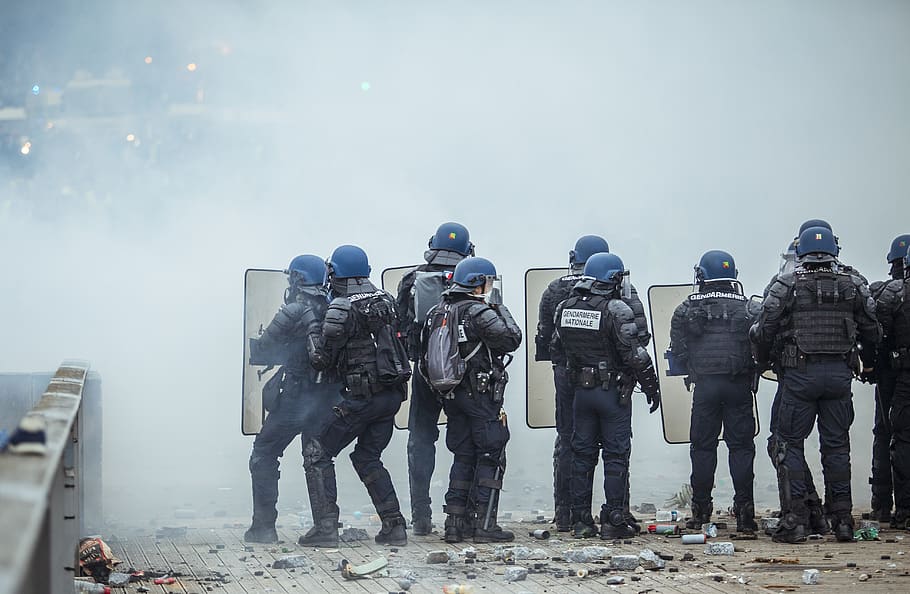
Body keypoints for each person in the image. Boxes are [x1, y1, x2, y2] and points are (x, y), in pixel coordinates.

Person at [752, 226, 881, 543]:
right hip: (839, 378)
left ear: (802, 251)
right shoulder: (853, 283)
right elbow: (873, 330)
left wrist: (766, 360)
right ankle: (843, 522)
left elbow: (764, 327)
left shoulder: (788, 284)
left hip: (799, 376)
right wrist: (867, 360)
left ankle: (795, 520)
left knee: (788, 444)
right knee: (837, 448)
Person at [534, 235, 650, 533]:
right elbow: (639, 337)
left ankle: (569, 515)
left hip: (570, 378)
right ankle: (617, 514)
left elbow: (546, 341)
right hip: (612, 383)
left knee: (571, 443)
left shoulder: (556, 290)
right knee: (616, 448)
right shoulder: (622, 292)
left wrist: (572, 365)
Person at [299, 245, 412, 547]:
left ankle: (325, 529)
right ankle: (394, 526)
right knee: (367, 456)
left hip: (361, 398)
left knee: (317, 453)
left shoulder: (341, 306)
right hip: (390, 396)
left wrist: (311, 327)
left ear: (335, 272)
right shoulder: (385, 299)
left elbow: (321, 358)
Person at [419, 256, 522, 544]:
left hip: (451, 396)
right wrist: (499, 306)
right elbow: (512, 339)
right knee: (491, 453)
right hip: (481, 395)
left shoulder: (437, 312)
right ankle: (485, 525)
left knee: (463, 455)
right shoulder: (479, 312)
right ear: (478, 283)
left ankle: (455, 524)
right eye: (488, 281)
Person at [245, 255, 340, 543]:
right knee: (318, 459)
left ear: (298, 279)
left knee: (263, 452)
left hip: (297, 398)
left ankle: (263, 528)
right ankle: (326, 530)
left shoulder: (294, 310)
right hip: (327, 398)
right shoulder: (335, 308)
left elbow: (264, 349)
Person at [669, 250, 757, 533]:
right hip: (739, 386)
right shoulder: (748, 307)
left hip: (705, 388)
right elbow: (761, 343)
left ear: (702, 276)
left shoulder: (686, 308)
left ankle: (701, 511)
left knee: (703, 448)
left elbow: (678, 352)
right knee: (741, 448)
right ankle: (745, 514)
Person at [395, 222, 474, 535]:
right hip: (464, 376)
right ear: (468, 249)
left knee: (421, 440)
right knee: (464, 442)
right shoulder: (476, 277)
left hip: (425, 373)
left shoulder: (412, 279)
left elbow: (397, 325)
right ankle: (459, 514)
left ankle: (422, 516)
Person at [867, 234, 910, 523]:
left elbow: (875, 336)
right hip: (895, 373)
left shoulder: (890, 293)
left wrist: (872, 367)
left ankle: (889, 506)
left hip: (894, 376)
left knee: (891, 436)